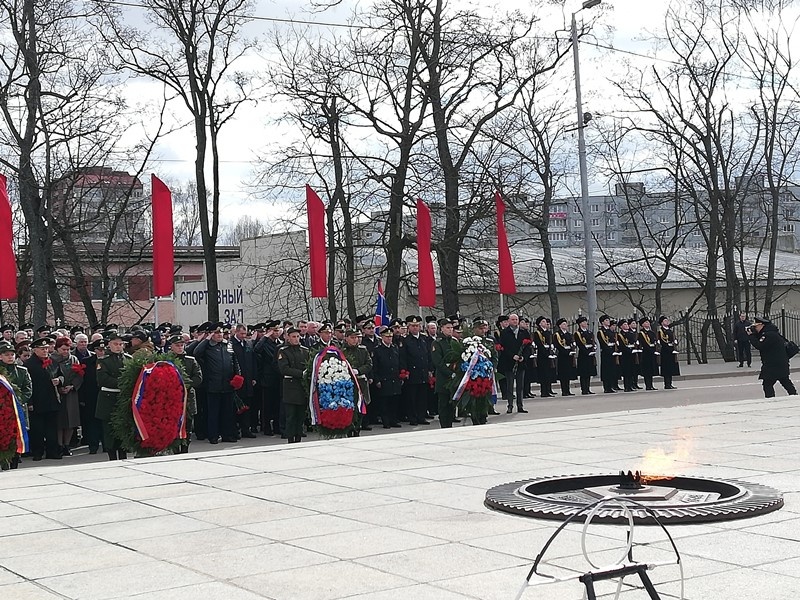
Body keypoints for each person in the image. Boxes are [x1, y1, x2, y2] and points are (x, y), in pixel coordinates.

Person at [193, 323, 241, 444]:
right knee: (213, 413)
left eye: (220, 333)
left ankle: (227, 435)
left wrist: (238, 375)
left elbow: (234, 360)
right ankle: (213, 436)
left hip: (228, 384)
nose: (219, 335)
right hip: (213, 384)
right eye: (216, 333)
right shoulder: (207, 347)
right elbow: (196, 352)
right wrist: (207, 338)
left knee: (227, 412)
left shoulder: (227, 345)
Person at [24, 337, 62, 461]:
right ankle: (38, 452)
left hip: (51, 400)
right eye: (42, 349)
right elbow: (27, 385)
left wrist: (60, 380)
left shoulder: (53, 361)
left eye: (46, 348)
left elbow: (61, 375)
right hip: (37, 401)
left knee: (52, 429)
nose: (45, 351)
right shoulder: (29, 365)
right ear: (35, 350)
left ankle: (52, 451)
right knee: (37, 429)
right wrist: (30, 402)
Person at [95, 332, 130, 460]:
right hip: (108, 398)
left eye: (121, 344)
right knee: (109, 430)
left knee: (123, 429)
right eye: (115, 344)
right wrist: (123, 383)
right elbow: (102, 379)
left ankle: (123, 454)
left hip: (123, 398)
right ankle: (111, 456)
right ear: (109, 345)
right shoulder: (103, 360)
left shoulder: (128, 359)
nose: (118, 346)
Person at [168, 334, 203, 453]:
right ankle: (175, 450)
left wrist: (184, 385)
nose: (180, 347)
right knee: (173, 426)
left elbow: (198, 378)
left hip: (188, 398)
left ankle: (185, 449)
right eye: (177, 345)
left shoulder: (190, 360)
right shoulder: (167, 361)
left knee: (187, 427)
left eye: (182, 345)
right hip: (172, 398)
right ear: (171, 346)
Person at [0, 340, 32, 469]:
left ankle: (14, 460)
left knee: (16, 434)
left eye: (12, 354)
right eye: (6, 354)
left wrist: (17, 401)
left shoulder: (22, 371)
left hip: (17, 410)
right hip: (2, 411)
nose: (10, 357)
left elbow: (28, 389)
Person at [748, 317, 798, 398]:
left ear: (762, 325)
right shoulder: (772, 333)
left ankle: (771, 400)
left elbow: (759, 345)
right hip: (779, 362)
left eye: (756, 326)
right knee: (785, 381)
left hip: (773, 364)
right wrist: (754, 335)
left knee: (767, 384)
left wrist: (751, 336)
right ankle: (794, 397)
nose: (755, 328)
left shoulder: (768, 335)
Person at [276, 327, 309, 443]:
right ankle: (290, 438)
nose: (296, 339)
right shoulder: (283, 351)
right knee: (290, 416)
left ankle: (298, 436)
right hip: (290, 387)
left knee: (300, 416)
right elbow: (284, 369)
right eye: (293, 337)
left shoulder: (305, 351)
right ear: (288, 338)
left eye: (297, 337)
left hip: (302, 387)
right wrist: (301, 373)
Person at [52, 336, 83, 457]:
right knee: (60, 421)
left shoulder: (74, 359)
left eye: (68, 349)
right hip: (58, 393)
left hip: (71, 393)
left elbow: (79, 374)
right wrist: (58, 387)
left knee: (71, 420)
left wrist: (72, 386)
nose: (65, 352)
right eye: (63, 349)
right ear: (57, 349)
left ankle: (66, 444)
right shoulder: (52, 360)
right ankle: (59, 445)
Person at [399, 315, 431, 426]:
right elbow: (403, 358)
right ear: (408, 327)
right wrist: (404, 372)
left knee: (422, 396)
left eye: (417, 326)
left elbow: (428, 356)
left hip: (423, 372)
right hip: (412, 373)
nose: (415, 328)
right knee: (412, 397)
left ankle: (421, 416)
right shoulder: (406, 341)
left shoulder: (424, 339)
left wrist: (429, 369)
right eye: (412, 326)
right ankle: (412, 417)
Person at [254, 320, 283, 436]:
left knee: (277, 405)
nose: (276, 333)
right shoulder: (264, 343)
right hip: (267, 378)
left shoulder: (279, 343)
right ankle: (266, 427)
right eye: (274, 331)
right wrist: (266, 336)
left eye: (277, 330)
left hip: (278, 377)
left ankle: (277, 426)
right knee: (267, 406)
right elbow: (256, 349)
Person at [341, 328, 372, 435]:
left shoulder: (363, 350)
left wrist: (358, 371)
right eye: (352, 338)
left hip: (361, 382)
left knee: (361, 407)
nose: (355, 340)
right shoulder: (342, 351)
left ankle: (357, 428)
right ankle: (350, 429)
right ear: (346, 338)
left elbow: (369, 364)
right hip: (348, 383)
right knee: (350, 408)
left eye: (356, 338)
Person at [498, 313, 530, 413]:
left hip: (521, 362)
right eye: (513, 320)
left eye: (516, 320)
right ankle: (510, 405)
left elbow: (528, 347)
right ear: (509, 321)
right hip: (509, 362)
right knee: (510, 385)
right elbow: (503, 348)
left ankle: (520, 405)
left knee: (520, 385)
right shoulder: (504, 333)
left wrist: (523, 357)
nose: (515, 321)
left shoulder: (524, 332)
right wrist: (512, 356)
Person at [373, 326, 403, 429]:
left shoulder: (395, 348)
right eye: (387, 337)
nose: (389, 338)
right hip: (384, 379)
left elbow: (398, 363)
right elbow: (375, 367)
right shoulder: (378, 350)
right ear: (382, 337)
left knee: (394, 401)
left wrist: (401, 376)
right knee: (384, 402)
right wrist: (377, 380)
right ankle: (386, 421)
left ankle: (393, 420)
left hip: (394, 378)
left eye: (391, 336)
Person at [231, 323, 257, 438]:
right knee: (236, 406)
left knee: (247, 405)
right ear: (236, 332)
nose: (243, 336)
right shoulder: (231, 344)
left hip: (248, 380)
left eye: (244, 334)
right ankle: (235, 430)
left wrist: (254, 377)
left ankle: (246, 429)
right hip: (237, 380)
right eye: (241, 333)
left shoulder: (248, 343)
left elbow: (253, 362)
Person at [553, 318, 577, 396]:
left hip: (569, 356)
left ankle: (568, 390)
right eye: (563, 324)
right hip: (562, 356)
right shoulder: (557, 334)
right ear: (560, 326)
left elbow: (571, 343)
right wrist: (567, 352)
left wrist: (572, 349)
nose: (565, 325)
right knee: (563, 374)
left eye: (566, 324)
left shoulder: (568, 334)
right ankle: (564, 390)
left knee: (568, 374)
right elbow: (558, 346)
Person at [573, 317, 597, 395]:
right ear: (580, 324)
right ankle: (584, 389)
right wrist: (587, 352)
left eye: (586, 322)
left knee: (589, 372)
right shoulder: (578, 333)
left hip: (590, 354)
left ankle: (588, 388)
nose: (585, 323)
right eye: (583, 322)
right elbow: (580, 344)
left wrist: (594, 347)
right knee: (584, 373)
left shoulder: (589, 332)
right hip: (583, 355)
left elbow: (593, 341)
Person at [657, 316, 680, 390]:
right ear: (661, 322)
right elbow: (663, 342)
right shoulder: (661, 331)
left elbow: (673, 338)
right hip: (666, 351)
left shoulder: (670, 330)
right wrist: (670, 350)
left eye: (667, 320)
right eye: (665, 320)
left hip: (671, 350)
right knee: (666, 368)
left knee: (671, 368)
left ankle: (670, 383)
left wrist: (675, 342)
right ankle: (666, 384)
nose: (667, 321)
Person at [597, 315, 617, 393]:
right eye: (606, 320)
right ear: (602, 322)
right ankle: (606, 387)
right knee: (606, 370)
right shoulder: (601, 332)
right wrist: (610, 350)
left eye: (608, 320)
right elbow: (603, 343)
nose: (608, 322)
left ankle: (611, 386)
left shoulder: (610, 331)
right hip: (606, 353)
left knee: (612, 370)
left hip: (612, 352)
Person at [638, 317, 659, 391]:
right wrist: (652, 351)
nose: (648, 323)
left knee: (651, 369)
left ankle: (651, 385)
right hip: (646, 353)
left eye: (648, 322)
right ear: (642, 324)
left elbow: (654, 342)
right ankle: (648, 385)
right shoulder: (641, 333)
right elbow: (644, 344)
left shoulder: (651, 332)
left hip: (652, 352)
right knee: (647, 370)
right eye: (646, 322)